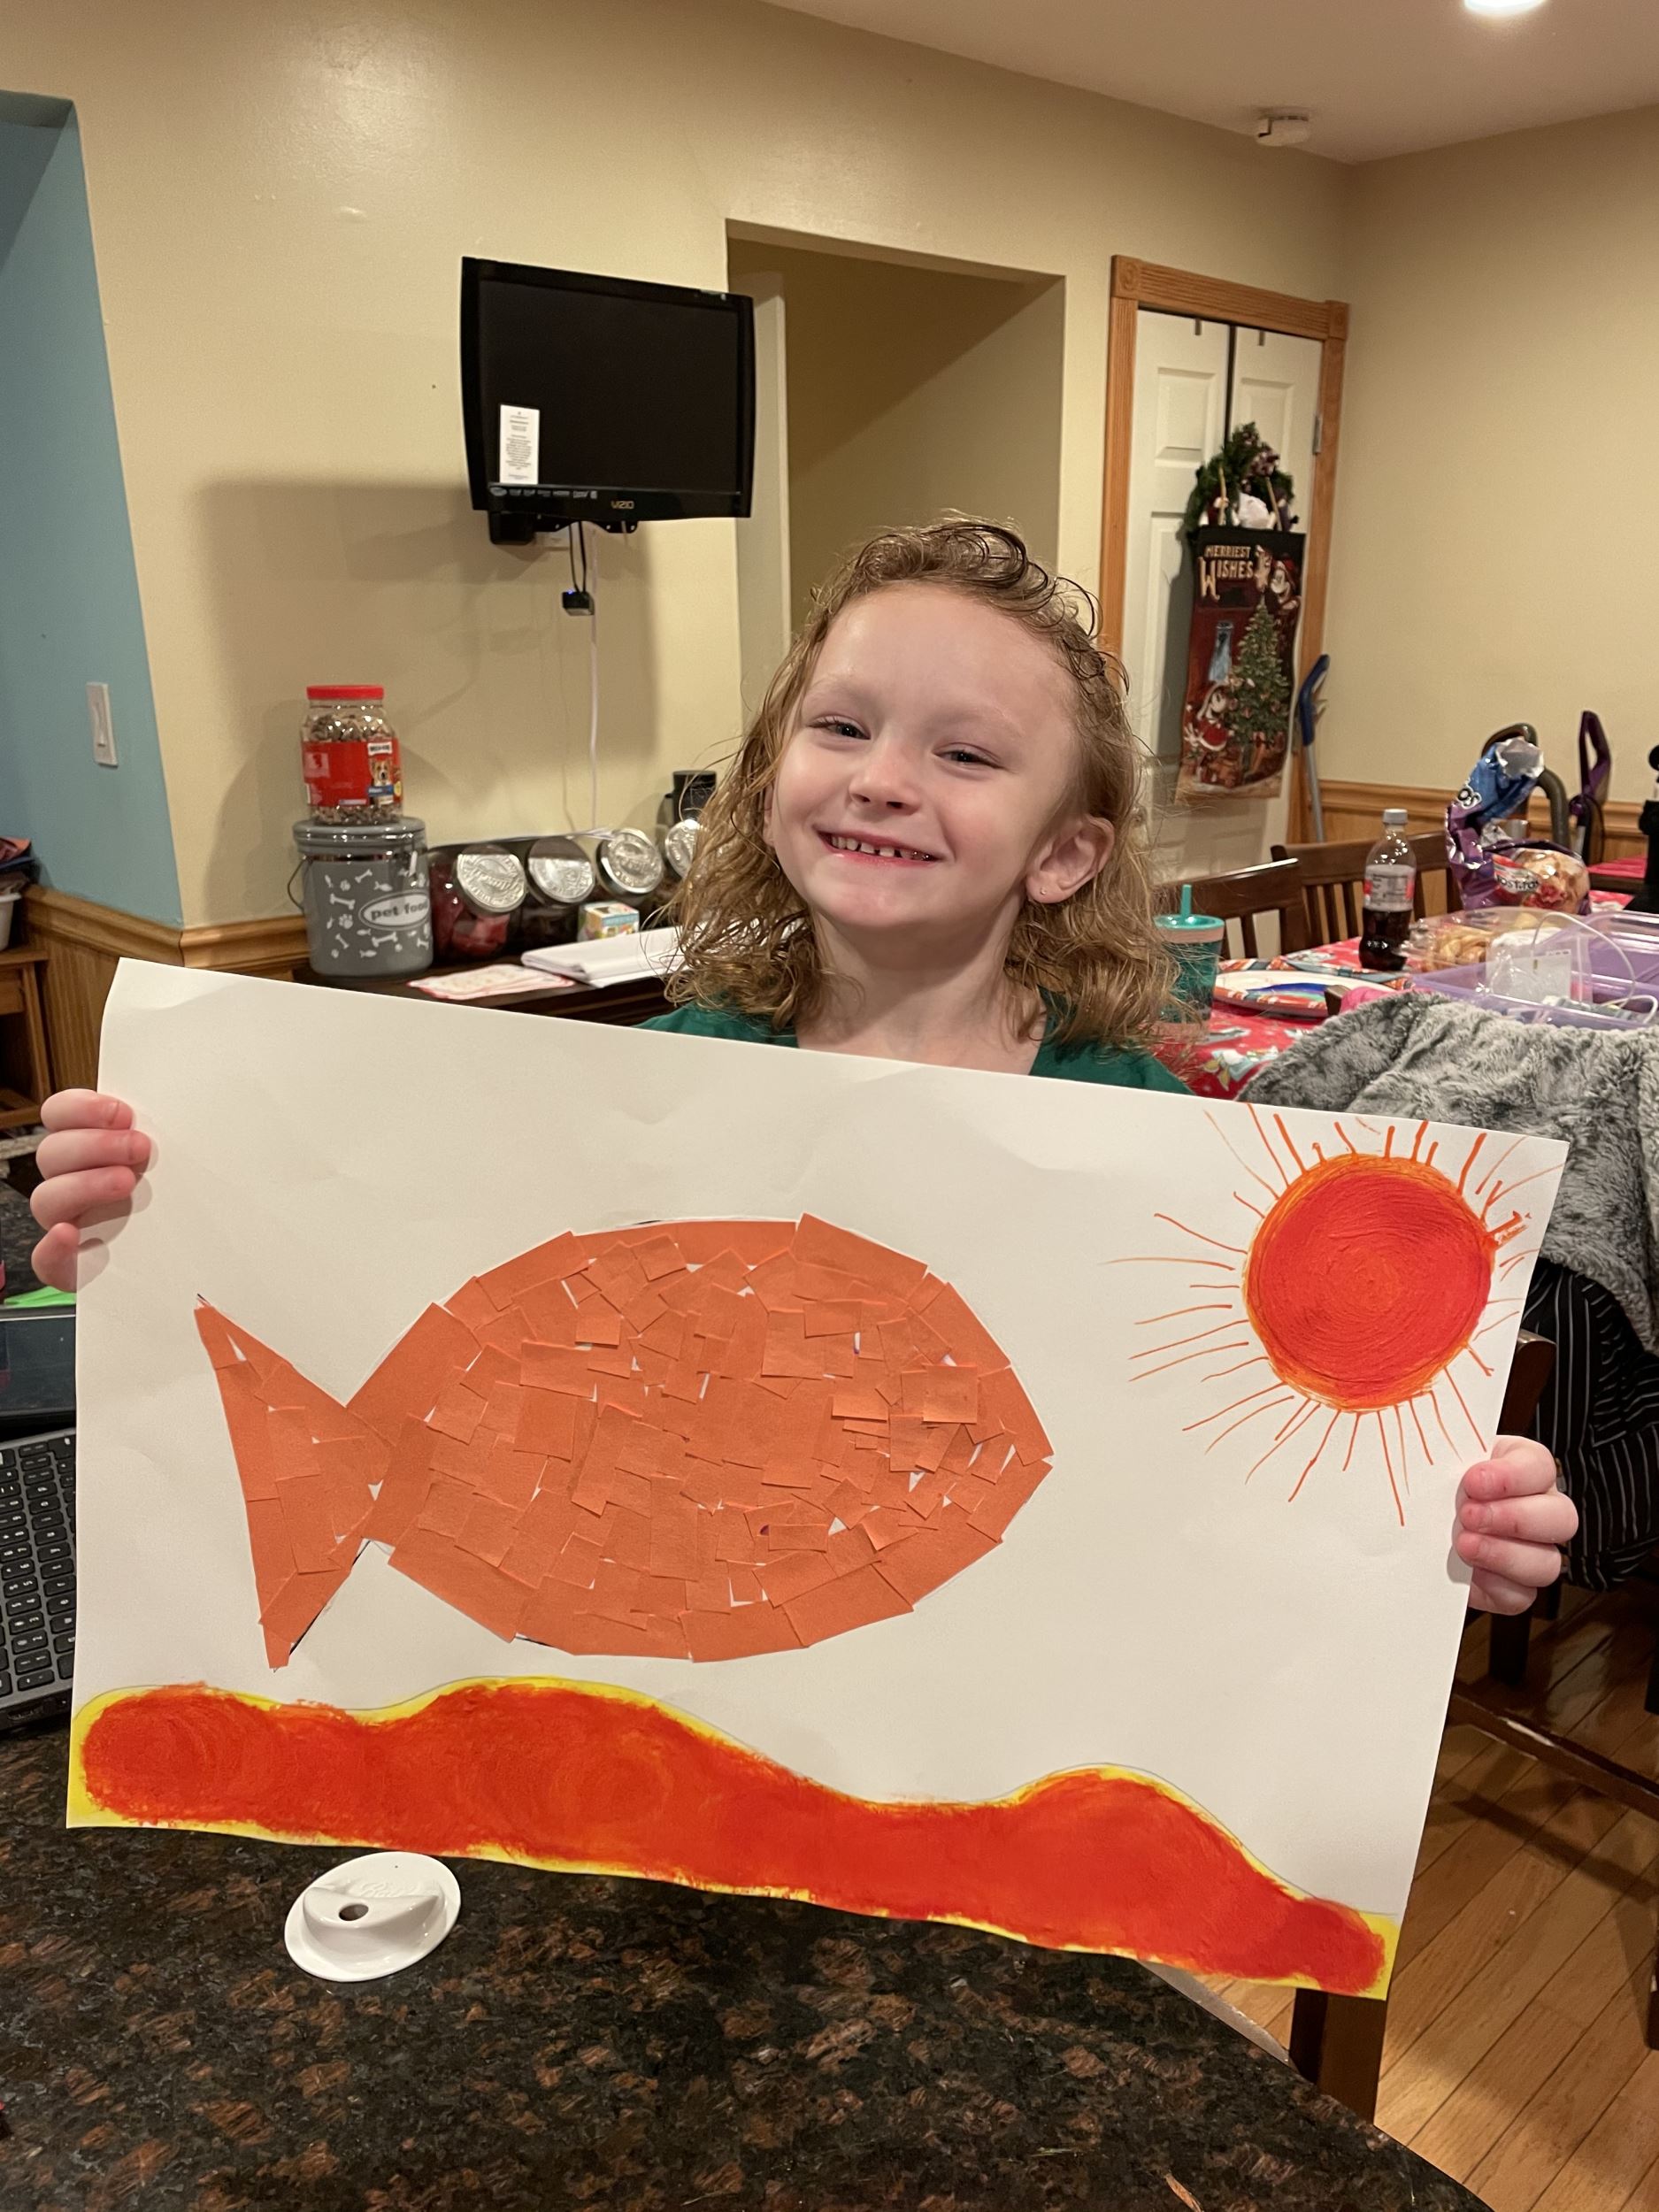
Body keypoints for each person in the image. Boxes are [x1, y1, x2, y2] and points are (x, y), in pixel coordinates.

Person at [28, 519, 1575, 1612]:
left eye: (966, 753)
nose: (885, 779)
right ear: (773, 783)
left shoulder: (1148, 1138)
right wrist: (165, 1223)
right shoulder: (651, 1090)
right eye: (843, 727)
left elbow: (1235, 1464)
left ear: (1064, 853)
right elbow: (402, 1309)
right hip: (677, 1715)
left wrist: (1434, 1512)